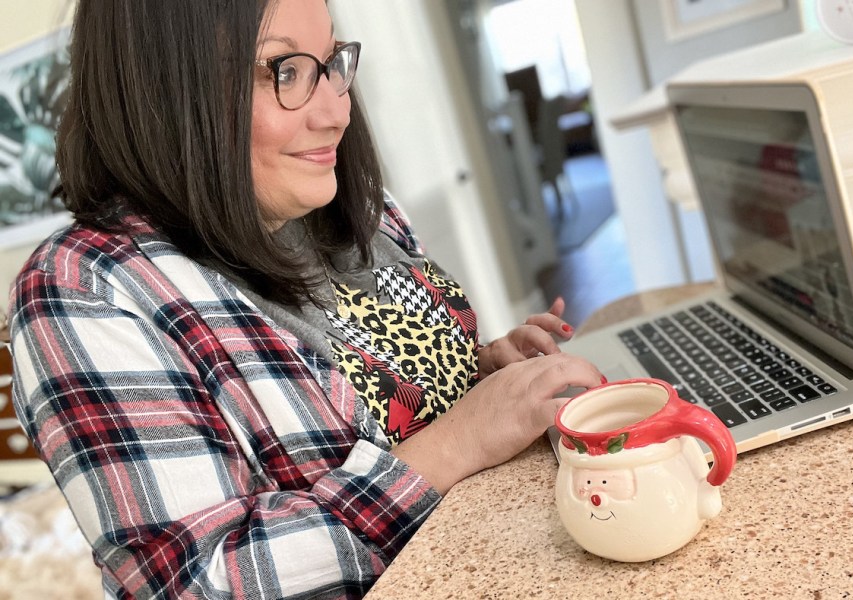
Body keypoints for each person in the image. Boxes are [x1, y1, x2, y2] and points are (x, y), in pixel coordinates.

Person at [8, 1, 605, 598]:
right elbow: (196, 582)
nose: (337, 111)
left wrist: (482, 373)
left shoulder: (344, 203)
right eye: (283, 71)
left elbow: (371, 386)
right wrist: (464, 437)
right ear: (164, 89)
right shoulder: (83, 291)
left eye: (329, 63)